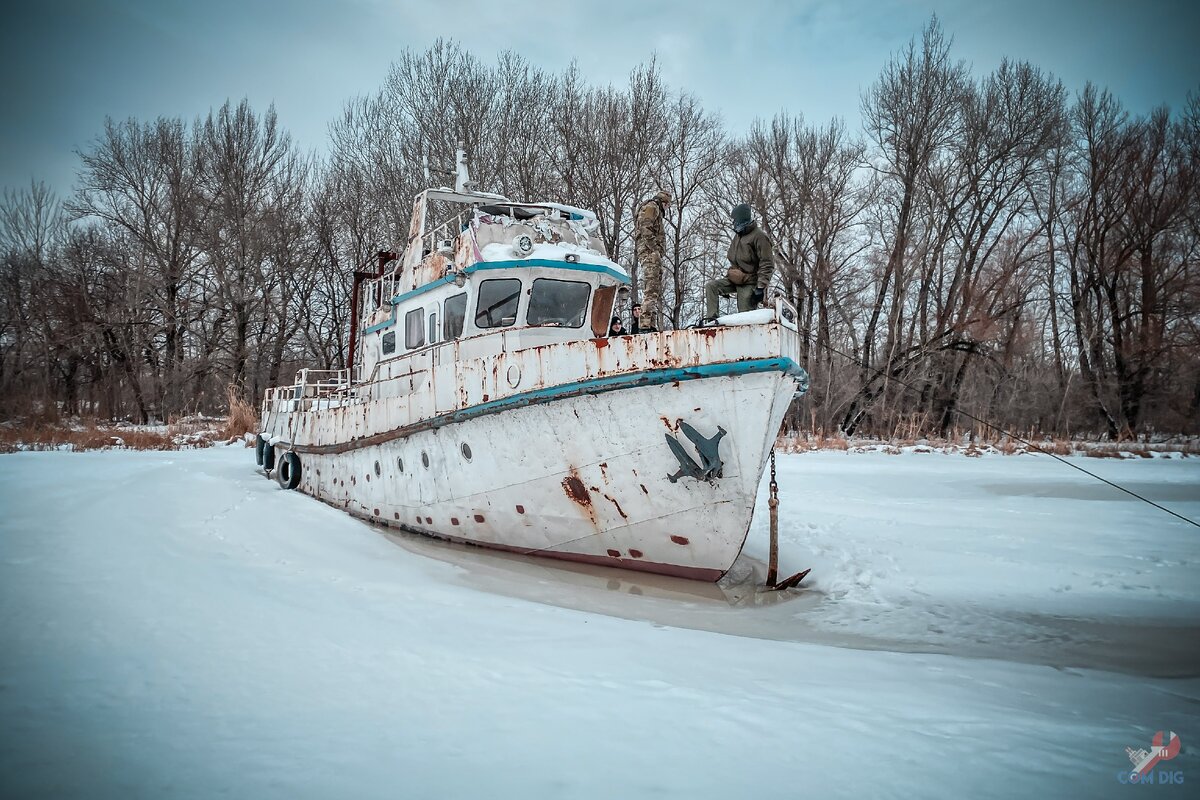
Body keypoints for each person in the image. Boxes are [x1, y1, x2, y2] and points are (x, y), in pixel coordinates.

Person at [702, 203, 774, 324]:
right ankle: (711, 321)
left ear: (741, 219)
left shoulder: (759, 237)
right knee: (712, 286)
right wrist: (730, 276)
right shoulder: (738, 236)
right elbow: (734, 260)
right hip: (735, 279)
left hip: (750, 282)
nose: (733, 222)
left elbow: (767, 263)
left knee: (744, 316)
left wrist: (761, 287)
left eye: (735, 220)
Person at [634, 187, 671, 332]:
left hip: (652, 253)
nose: (667, 207)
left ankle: (651, 324)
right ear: (664, 202)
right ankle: (645, 325)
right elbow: (645, 228)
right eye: (667, 204)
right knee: (650, 289)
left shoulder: (654, 208)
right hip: (650, 253)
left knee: (654, 290)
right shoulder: (651, 207)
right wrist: (654, 249)